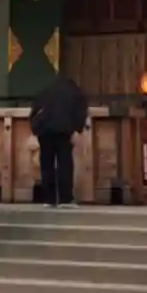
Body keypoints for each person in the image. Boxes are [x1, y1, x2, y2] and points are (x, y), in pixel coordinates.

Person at [29, 75, 90, 208]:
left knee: (46, 165)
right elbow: (81, 111)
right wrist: (78, 129)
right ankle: (65, 198)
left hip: (45, 130)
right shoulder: (75, 92)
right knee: (64, 164)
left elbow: (35, 111)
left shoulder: (45, 91)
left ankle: (49, 199)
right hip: (64, 129)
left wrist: (35, 129)